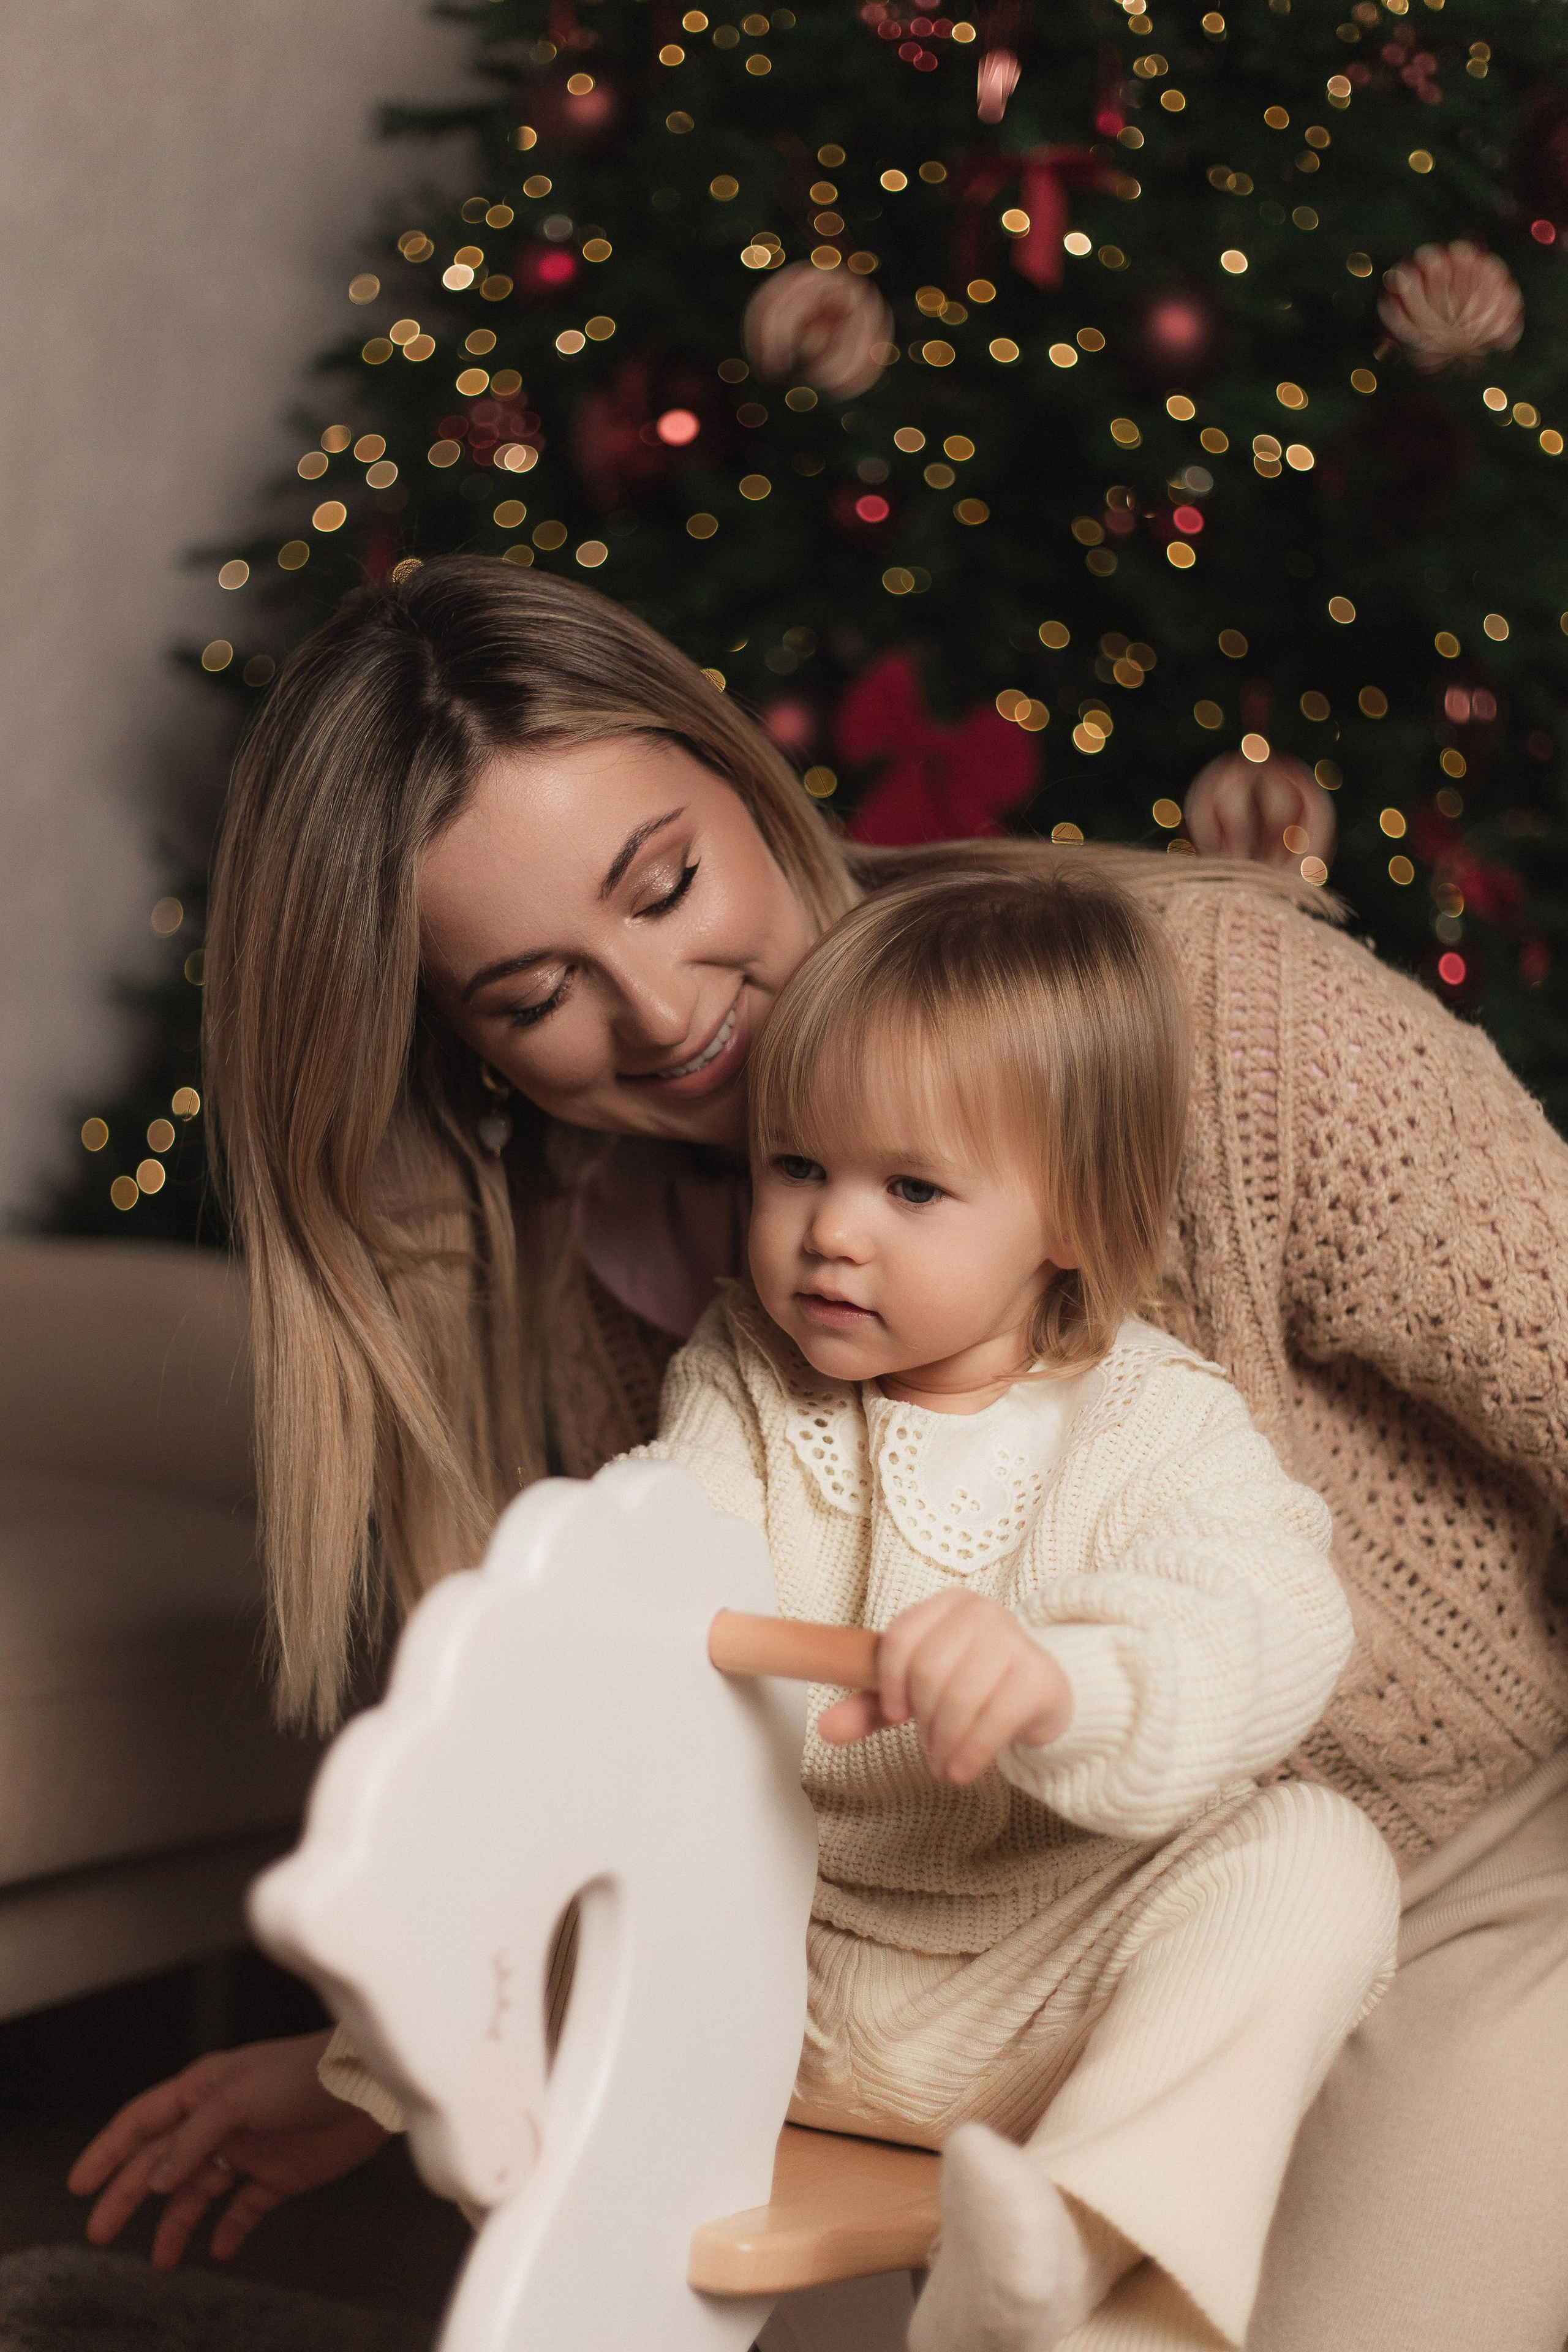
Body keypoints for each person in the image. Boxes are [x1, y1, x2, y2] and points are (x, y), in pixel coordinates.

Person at [68, 558, 1568, 2350]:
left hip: (1469, 1861)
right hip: (986, 1951)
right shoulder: (627, 1303)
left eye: (667, 882)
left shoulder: (1224, 1016)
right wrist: (382, 2056)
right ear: (469, 1057)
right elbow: (659, 1746)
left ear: (740, 776)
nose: (660, 1010)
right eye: (538, 992)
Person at [636, 869, 1398, 2350]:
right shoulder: (741, 1380)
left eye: (909, 1189)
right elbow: (665, 1549)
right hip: (774, 1975)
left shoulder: (1153, 1425)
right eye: (794, 1168)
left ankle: (1076, 2260)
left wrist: (1065, 1685)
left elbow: (1260, 1617)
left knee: (1318, 1853)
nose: (829, 1234)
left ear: (1070, 1217)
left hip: (1033, 2009)